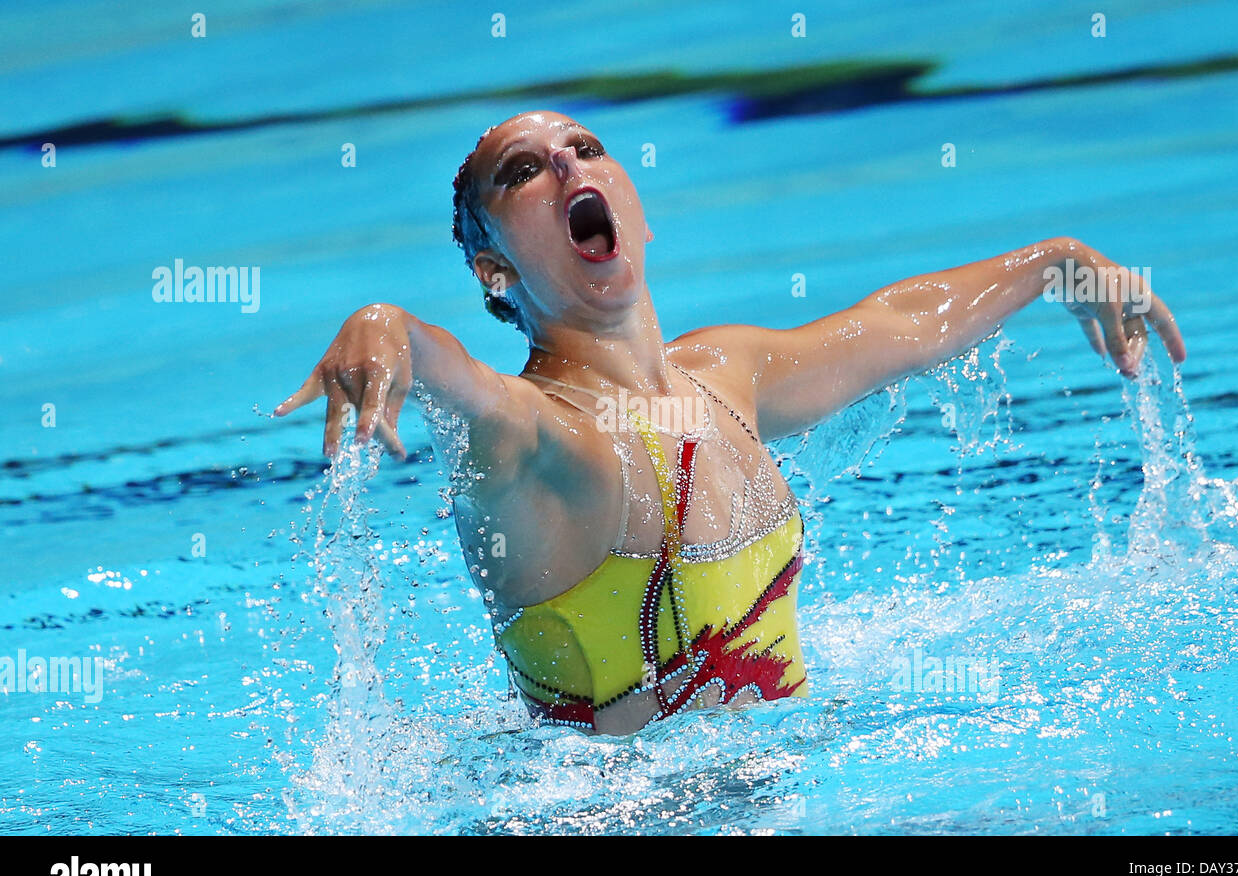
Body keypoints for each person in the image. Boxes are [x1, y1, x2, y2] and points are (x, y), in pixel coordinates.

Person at [273, 110, 1186, 735]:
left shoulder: (723, 375)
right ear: (493, 272)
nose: (567, 165)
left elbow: (901, 327)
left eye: (587, 149)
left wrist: (1058, 262)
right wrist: (386, 327)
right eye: (524, 171)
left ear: (637, 210)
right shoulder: (536, 438)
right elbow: (454, 379)